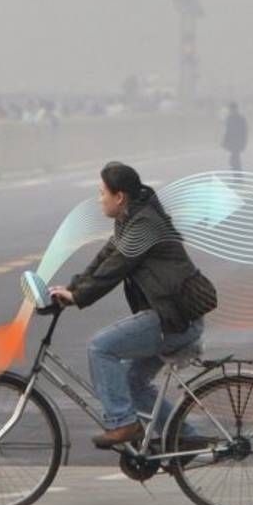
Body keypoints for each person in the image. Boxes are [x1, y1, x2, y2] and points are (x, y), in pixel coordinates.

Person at [47, 162, 218, 448]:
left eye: (102, 192)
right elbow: (105, 257)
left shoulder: (145, 224)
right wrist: (73, 288)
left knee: (100, 347)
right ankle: (185, 439)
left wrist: (79, 297)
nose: (99, 198)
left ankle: (123, 424)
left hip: (173, 320)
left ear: (119, 197)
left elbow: (117, 266)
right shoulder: (131, 218)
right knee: (131, 382)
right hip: (171, 316)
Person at [221, 101, 248, 172]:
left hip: (238, 141)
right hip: (232, 141)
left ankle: (237, 173)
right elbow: (227, 131)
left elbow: (244, 131)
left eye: (233, 109)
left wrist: (244, 142)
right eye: (231, 109)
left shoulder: (240, 119)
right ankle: (237, 172)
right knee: (234, 159)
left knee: (234, 158)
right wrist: (224, 141)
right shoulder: (229, 119)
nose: (232, 110)